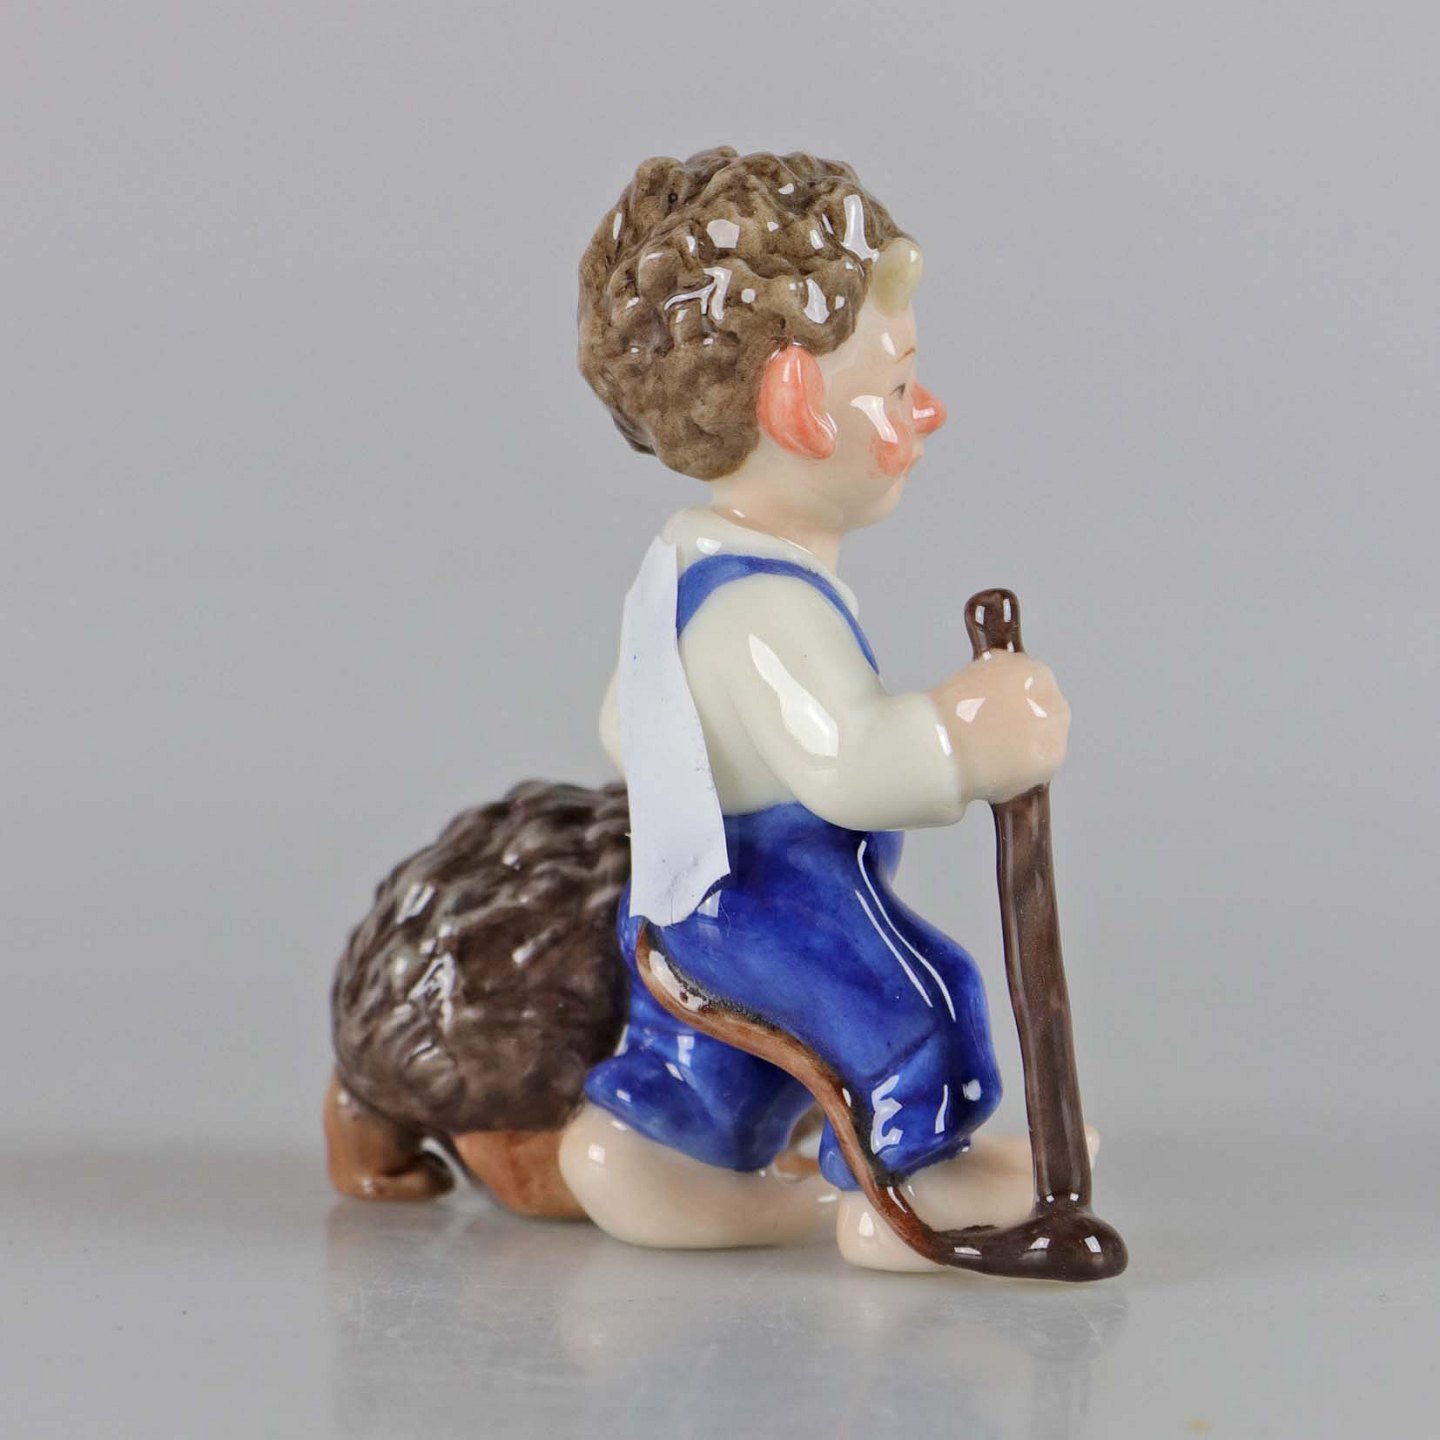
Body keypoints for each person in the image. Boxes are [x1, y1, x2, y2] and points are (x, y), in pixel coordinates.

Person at [558, 149, 1078, 1271]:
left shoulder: (687, 566)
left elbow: (620, 726)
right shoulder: (763, 609)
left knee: (752, 1037)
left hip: (695, 893)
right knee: (916, 996)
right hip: (765, 894)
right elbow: (851, 767)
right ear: (796, 405)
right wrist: (970, 736)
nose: (928, 409)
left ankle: (660, 1153)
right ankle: (913, 1184)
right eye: (894, 390)